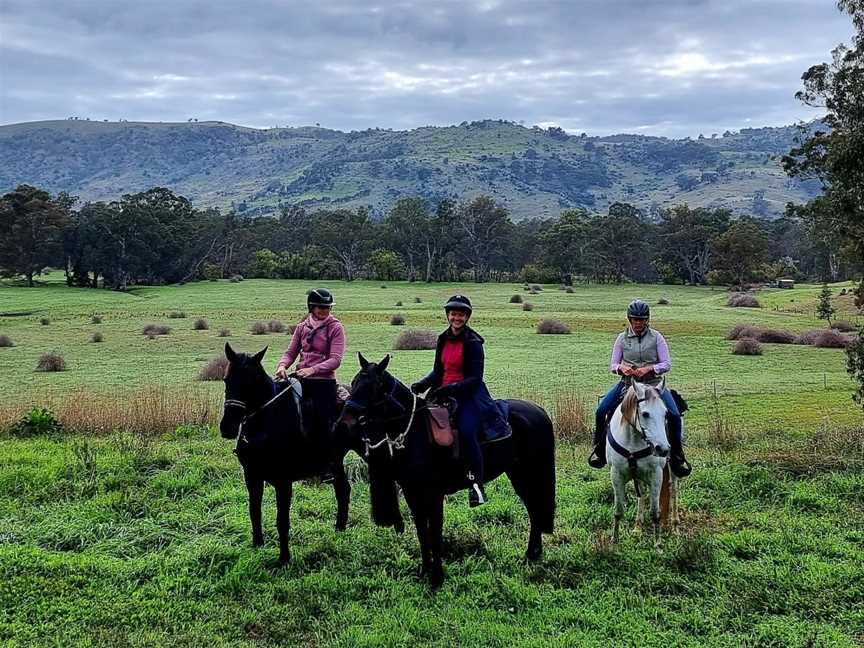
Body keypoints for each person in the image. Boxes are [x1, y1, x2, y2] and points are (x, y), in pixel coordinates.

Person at [410, 294, 509, 507]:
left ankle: (477, 486)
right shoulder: (442, 339)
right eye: (453, 313)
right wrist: (422, 384)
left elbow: (475, 379)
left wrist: (452, 388)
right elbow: (438, 371)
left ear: (467, 317)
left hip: (469, 397)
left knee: (466, 432)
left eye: (461, 314)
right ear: (448, 315)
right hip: (442, 394)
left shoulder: (473, 342)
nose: (456, 317)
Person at [588, 299, 691, 478]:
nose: (638, 323)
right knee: (601, 409)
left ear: (647, 320)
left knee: (674, 414)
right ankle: (599, 450)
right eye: (635, 319)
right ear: (629, 319)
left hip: (653, 385)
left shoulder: (657, 337)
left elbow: (666, 363)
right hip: (628, 385)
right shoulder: (621, 338)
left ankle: (677, 456)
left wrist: (650, 368)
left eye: (642, 320)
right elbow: (613, 364)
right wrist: (621, 368)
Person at [276, 288, 346, 481]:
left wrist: (312, 370)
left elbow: (336, 359)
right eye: (321, 307)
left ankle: (327, 466)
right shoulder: (301, 327)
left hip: (324, 382)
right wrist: (282, 366)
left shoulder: (336, 327)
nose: (325, 311)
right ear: (311, 307)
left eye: (328, 307)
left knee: (323, 419)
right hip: (299, 378)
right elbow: (290, 353)